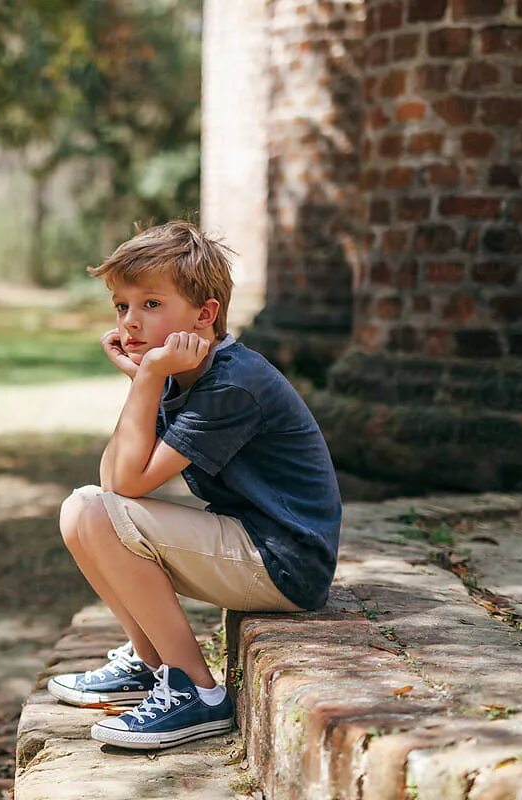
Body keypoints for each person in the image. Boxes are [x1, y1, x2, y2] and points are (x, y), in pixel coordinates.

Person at [47, 220, 342, 751]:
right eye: (121, 306)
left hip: (286, 563)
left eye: (151, 304)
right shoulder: (181, 373)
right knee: (81, 511)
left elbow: (128, 485)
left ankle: (197, 693)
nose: (130, 322)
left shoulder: (231, 382)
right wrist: (146, 378)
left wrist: (150, 374)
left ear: (204, 314)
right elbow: (112, 478)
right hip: (252, 542)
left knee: (95, 513)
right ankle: (150, 663)